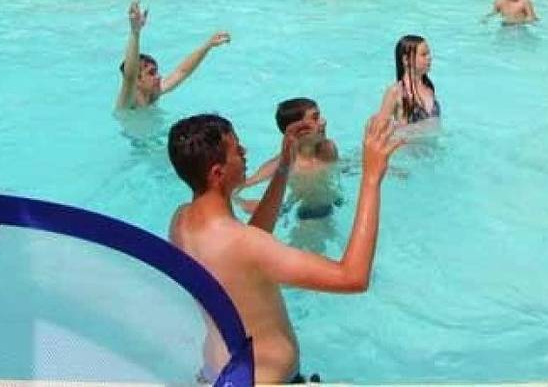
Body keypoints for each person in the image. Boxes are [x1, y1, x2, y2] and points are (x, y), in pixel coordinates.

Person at [168, 108, 403, 384]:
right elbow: (353, 276)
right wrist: (371, 177)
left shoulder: (182, 221)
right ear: (218, 172)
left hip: (216, 373)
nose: (244, 151)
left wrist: (283, 167)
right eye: (236, 150)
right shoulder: (246, 245)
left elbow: (244, 252)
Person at [236, 98, 341, 220]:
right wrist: (243, 203)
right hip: (307, 215)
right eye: (315, 118)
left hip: (335, 203)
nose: (323, 121)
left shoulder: (328, 149)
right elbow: (237, 188)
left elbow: (337, 168)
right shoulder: (284, 164)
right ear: (299, 130)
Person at [116, 1, 230, 110]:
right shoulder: (128, 101)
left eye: (156, 72)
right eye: (151, 73)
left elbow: (182, 72)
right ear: (138, 81)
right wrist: (135, 32)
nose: (159, 76)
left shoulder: (153, 94)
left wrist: (207, 46)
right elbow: (130, 77)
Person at [379, 34, 440, 126]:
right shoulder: (396, 92)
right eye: (424, 55)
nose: (429, 58)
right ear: (406, 60)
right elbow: (379, 127)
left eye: (429, 54)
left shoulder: (428, 88)